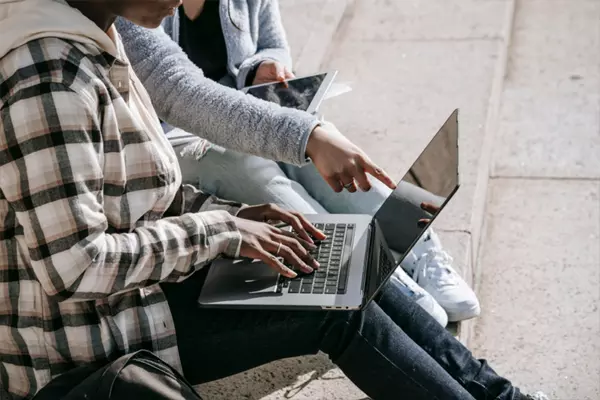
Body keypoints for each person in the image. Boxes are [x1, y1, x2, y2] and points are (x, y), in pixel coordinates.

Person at [0, 1, 550, 400]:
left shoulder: (100, 33)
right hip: (91, 332)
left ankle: (501, 396)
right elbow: (75, 266)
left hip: (146, 288)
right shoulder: (51, 78)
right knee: (340, 311)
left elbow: (136, 196)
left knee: (347, 258)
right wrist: (223, 231)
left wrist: (232, 217)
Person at [115, 0, 480, 325]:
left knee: (318, 151)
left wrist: (264, 67)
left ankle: (414, 249)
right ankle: (370, 274)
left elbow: (273, 43)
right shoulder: (132, 7)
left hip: (244, 108)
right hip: (169, 139)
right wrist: (306, 135)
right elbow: (176, 91)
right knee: (251, 166)